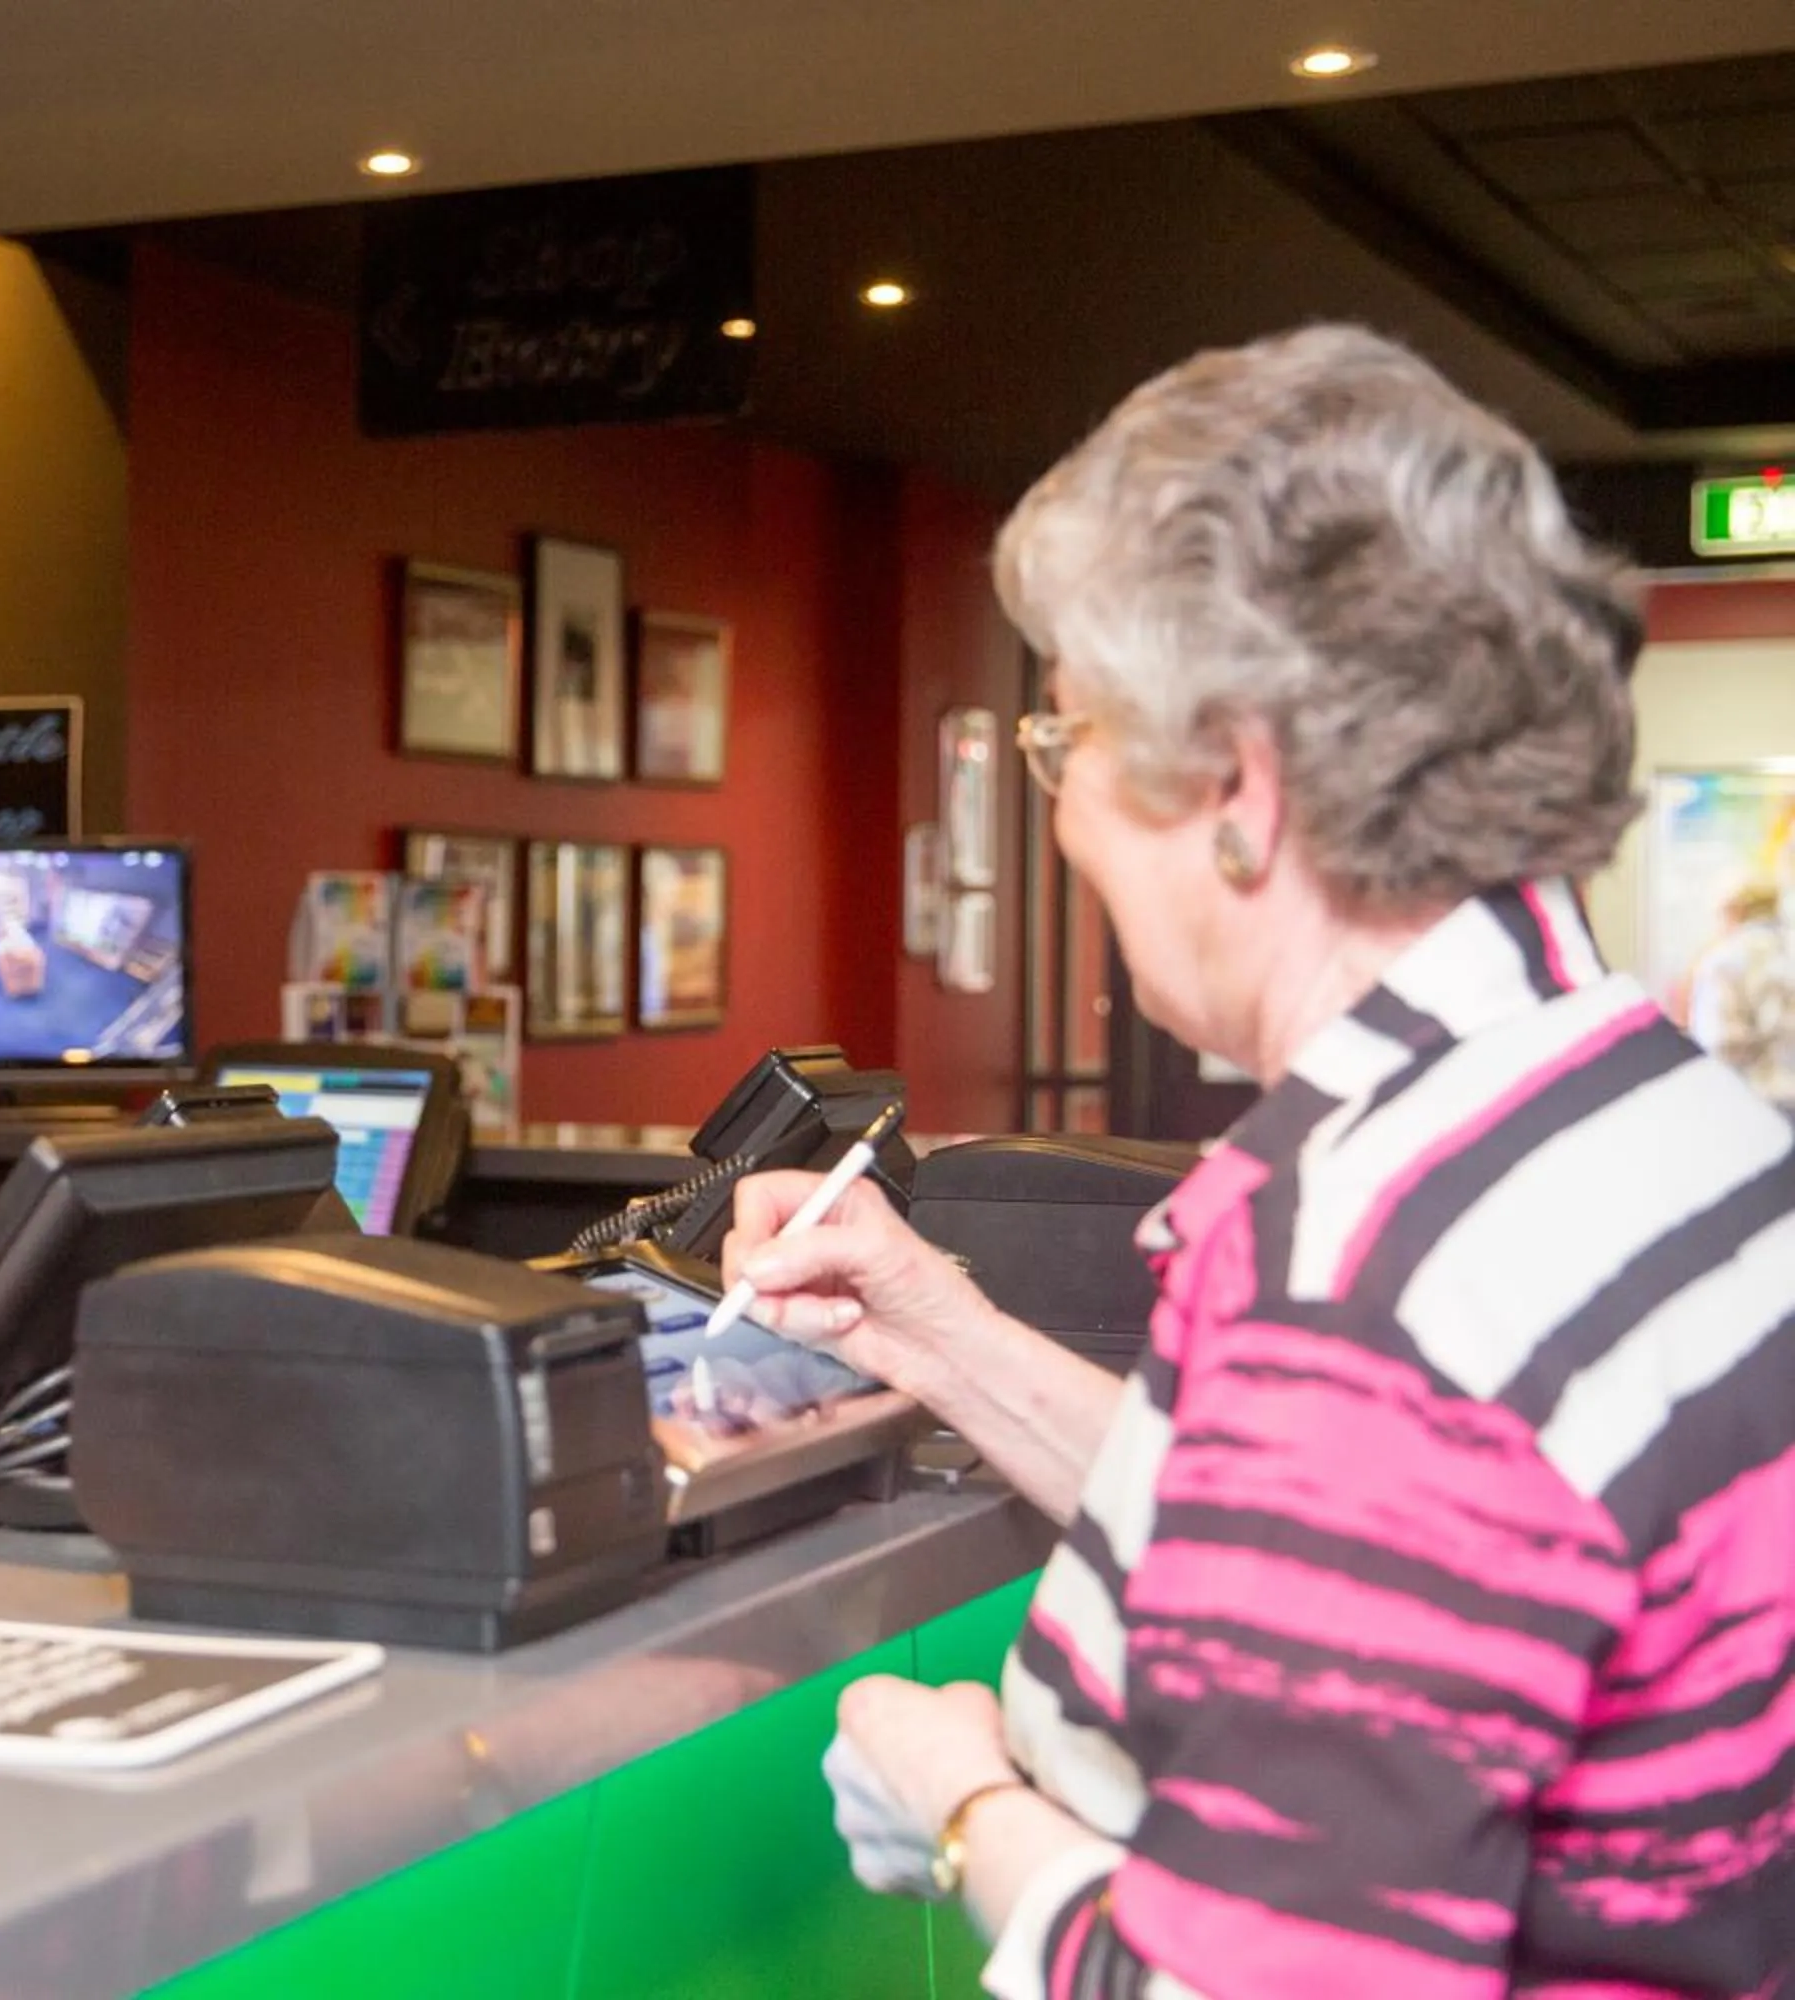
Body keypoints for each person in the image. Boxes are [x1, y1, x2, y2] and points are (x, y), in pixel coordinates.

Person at [725, 327, 1793, 1995]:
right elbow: (1367, 1562)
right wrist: (935, 1331)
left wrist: (969, 1805)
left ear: (1235, 782)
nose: (1063, 814)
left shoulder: (1371, 1263)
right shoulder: (1655, 1113)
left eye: (1067, 741)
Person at [1686, 881, 1795, 1109]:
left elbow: (1719, 1044)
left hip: (1758, 1103)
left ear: (1734, 911)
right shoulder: (1786, 950)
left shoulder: (1724, 961)